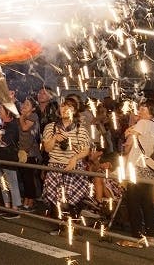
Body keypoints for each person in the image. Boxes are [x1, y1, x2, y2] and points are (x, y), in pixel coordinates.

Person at [116, 98, 154, 248]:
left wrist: (128, 132)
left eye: (144, 109)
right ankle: (151, 236)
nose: (139, 111)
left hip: (138, 170)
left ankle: (136, 238)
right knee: (148, 205)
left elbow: (128, 145)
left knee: (133, 203)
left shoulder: (143, 123)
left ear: (152, 112)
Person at [41, 96, 91, 231]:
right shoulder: (50, 127)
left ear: (74, 111)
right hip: (55, 166)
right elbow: (47, 148)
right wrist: (55, 138)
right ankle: (60, 226)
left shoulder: (81, 129)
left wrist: (75, 158)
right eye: (63, 106)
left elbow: (86, 150)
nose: (65, 109)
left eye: (69, 107)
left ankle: (71, 225)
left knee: (74, 199)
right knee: (54, 200)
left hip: (73, 166)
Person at [17, 97, 41, 211]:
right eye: (23, 104)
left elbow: (25, 127)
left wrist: (21, 117)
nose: (23, 106)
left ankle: (31, 201)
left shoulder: (33, 116)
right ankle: (26, 198)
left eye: (27, 105)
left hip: (30, 152)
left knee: (29, 178)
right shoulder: (21, 116)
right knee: (24, 177)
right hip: (21, 151)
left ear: (33, 108)